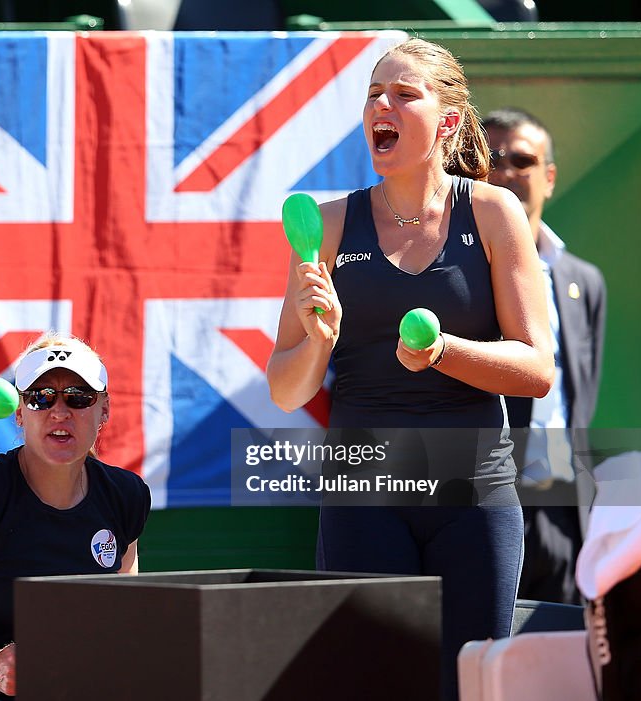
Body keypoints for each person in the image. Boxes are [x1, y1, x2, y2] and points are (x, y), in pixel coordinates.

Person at [267, 38, 554, 700]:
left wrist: (442, 352)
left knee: (471, 688)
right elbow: (287, 389)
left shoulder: (492, 212)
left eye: (403, 94)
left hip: (474, 500)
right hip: (363, 499)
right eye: (373, 94)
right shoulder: (331, 223)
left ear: (448, 122)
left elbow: (537, 366)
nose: (381, 106)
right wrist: (316, 340)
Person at [0, 333, 151, 700]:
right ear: (20, 413)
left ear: (104, 409)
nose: (59, 411)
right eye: (40, 397)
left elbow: (124, 619)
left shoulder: (126, 496)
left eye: (78, 397)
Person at [484, 108, 607, 605]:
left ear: (549, 177)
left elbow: (581, 395)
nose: (506, 171)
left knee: (554, 662)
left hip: (561, 513)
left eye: (521, 159)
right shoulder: (459, 270)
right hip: (483, 504)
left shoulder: (583, 281)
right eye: (491, 159)